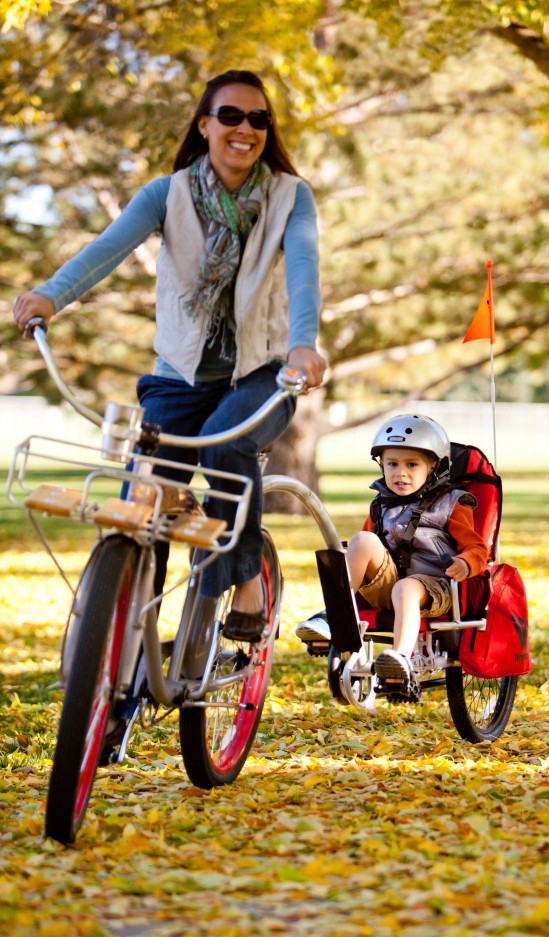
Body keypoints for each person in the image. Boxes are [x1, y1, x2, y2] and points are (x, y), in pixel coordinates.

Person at [13, 69, 328, 649]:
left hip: (262, 371)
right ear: (204, 125)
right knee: (146, 499)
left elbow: (305, 269)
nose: (246, 129)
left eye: (259, 119)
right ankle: (127, 640)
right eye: (230, 116)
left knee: (224, 443)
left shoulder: (290, 196)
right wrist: (51, 295)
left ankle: (247, 582)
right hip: (178, 376)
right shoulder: (168, 193)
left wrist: (305, 343)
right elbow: (107, 249)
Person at [296, 414, 488, 692]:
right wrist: (347, 557)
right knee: (362, 540)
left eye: (412, 465)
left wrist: (465, 562)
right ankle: (334, 617)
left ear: (434, 467)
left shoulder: (451, 504)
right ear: (381, 465)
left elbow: (477, 548)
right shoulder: (381, 505)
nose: (401, 473)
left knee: (406, 588)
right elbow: (365, 551)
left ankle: (399, 659)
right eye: (392, 464)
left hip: (435, 588)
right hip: (388, 583)